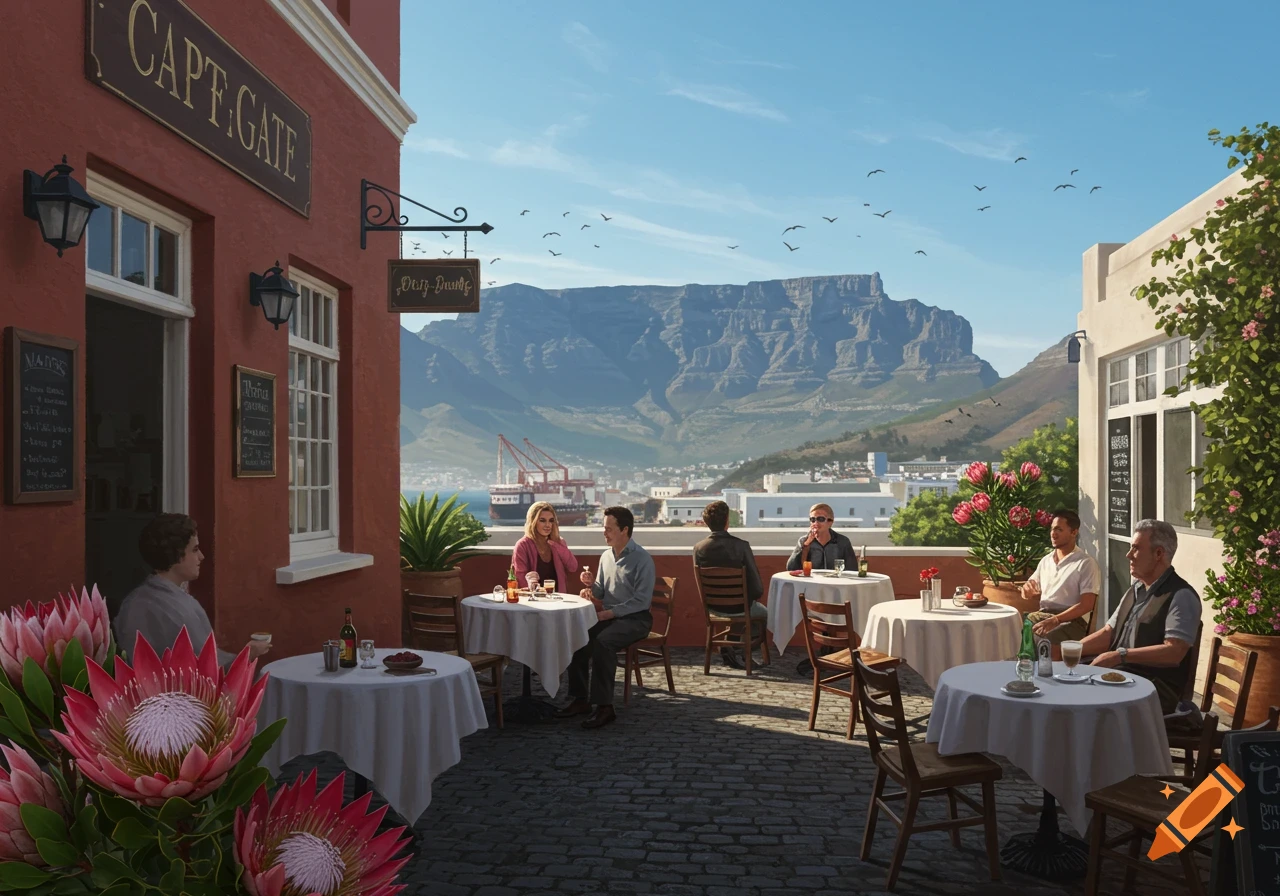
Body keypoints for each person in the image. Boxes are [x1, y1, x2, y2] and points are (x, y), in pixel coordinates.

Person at [1076, 519, 1202, 714]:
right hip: (1123, 676)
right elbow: (1109, 633)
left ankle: (1096, 743)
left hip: (1155, 689)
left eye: (1136, 549)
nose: (1128, 556)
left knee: (1084, 696)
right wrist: (1072, 650)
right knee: (1070, 677)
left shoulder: (1181, 595)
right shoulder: (1135, 589)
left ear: (1159, 554)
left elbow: (1174, 652)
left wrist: (1120, 656)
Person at [114, 513, 272, 669]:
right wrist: (250, 653)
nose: (201, 556)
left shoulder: (134, 601)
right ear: (176, 554)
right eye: (195, 549)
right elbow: (205, 669)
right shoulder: (177, 609)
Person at [557, 506, 655, 729]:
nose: (605, 533)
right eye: (604, 528)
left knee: (603, 642)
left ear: (625, 530)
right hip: (611, 618)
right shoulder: (606, 556)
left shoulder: (643, 559)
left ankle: (605, 707)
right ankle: (581, 700)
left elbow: (641, 601)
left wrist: (608, 613)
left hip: (636, 620)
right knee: (578, 636)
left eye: (609, 529)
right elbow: (601, 593)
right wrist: (590, 585)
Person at [693, 500, 765, 669]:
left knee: (743, 608)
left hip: (712, 607)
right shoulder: (741, 546)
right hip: (741, 606)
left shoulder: (698, 548)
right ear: (727, 520)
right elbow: (757, 587)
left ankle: (730, 646)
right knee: (762, 614)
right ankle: (738, 649)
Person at [1024, 510, 1102, 659]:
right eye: (1052, 529)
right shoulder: (1046, 561)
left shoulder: (1085, 563)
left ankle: (1050, 676)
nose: (1053, 534)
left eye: (1059, 529)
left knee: (1048, 636)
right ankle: (1025, 674)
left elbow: (1087, 605)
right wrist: (1026, 590)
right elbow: (1030, 587)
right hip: (1044, 615)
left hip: (1072, 621)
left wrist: (1056, 620)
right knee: (1015, 631)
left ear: (1074, 532)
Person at [512, 501, 579, 593]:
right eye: (542, 520)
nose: (548, 525)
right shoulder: (522, 545)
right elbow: (520, 578)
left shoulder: (559, 543)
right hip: (534, 602)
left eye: (551, 521)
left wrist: (557, 544)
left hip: (558, 599)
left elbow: (573, 567)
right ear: (533, 522)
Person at [786, 504, 856, 571]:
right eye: (813, 519)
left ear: (830, 522)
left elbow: (853, 569)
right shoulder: (803, 541)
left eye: (820, 519)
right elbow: (791, 568)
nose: (816, 523)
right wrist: (806, 546)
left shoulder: (842, 541)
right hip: (811, 582)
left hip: (835, 582)